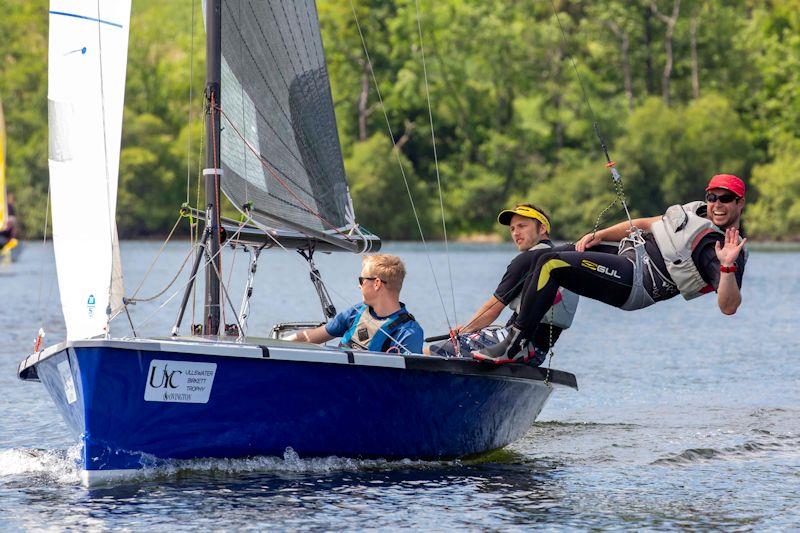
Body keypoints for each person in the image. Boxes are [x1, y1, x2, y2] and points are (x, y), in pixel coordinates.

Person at [473, 174, 748, 363]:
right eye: (713, 197)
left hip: (637, 282)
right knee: (541, 256)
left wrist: (726, 266)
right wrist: (603, 234)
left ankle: (516, 346)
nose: (717, 205)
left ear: (740, 203)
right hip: (626, 254)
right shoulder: (695, 213)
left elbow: (729, 306)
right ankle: (514, 333)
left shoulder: (720, 247)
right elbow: (644, 224)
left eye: (726, 199)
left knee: (551, 264)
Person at [427, 203, 578, 365]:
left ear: (542, 229)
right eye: (512, 229)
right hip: (538, 353)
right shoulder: (565, 259)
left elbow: (491, 310)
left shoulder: (526, 260)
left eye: (522, 226)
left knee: (432, 351)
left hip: (513, 346)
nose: (515, 233)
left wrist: (463, 331)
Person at [288, 253, 424, 354]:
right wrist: (277, 344)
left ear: (377, 283)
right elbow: (310, 337)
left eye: (362, 280)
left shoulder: (408, 333)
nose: (359, 286)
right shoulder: (356, 312)